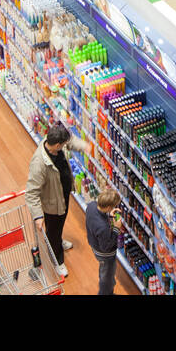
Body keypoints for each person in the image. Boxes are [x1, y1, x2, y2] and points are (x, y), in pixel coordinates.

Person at [25, 124, 77, 278]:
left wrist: (86, 146)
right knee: (53, 232)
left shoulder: (55, 146)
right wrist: (38, 216)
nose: (65, 146)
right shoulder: (39, 163)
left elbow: (71, 143)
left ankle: (58, 242)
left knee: (60, 225)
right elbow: (31, 193)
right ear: (57, 145)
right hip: (52, 204)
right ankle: (57, 261)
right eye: (63, 145)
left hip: (62, 195)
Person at [86, 188, 122, 295]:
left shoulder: (91, 206)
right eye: (113, 206)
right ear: (108, 207)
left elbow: (98, 217)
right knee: (107, 277)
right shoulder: (103, 227)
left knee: (104, 272)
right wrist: (116, 228)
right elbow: (107, 247)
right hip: (105, 255)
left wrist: (109, 215)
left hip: (94, 244)